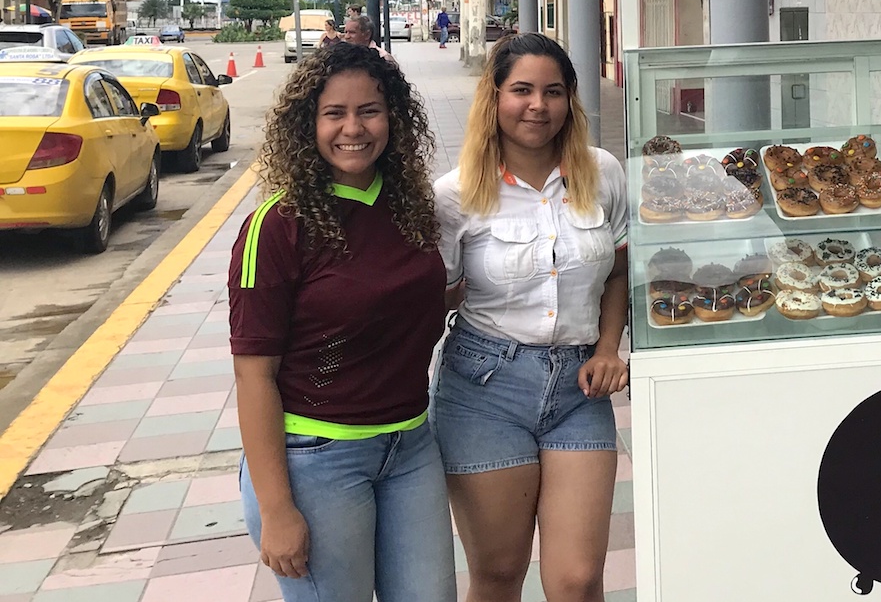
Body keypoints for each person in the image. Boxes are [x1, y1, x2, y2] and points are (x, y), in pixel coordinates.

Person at [227, 43, 456, 602]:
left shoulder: (411, 207)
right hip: (316, 460)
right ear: (309, 123)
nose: (353, 128)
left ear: (393, 118)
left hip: (410, 446)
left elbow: (415, 300)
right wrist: (278, 510)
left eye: (370, 111)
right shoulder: (276, 227)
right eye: (335, 113)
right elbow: (253, 375)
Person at [432, 32, 630, 602]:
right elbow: (438, 298)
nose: (537, 106)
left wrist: (608, 348)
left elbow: (617, 272)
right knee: (497, 573)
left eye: (552, 91)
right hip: (483, 389)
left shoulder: (602, 173)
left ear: (570, 100)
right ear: (493, 98)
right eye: (521, 90)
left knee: (577, 579)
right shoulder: (455, 195)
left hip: (579, 390)